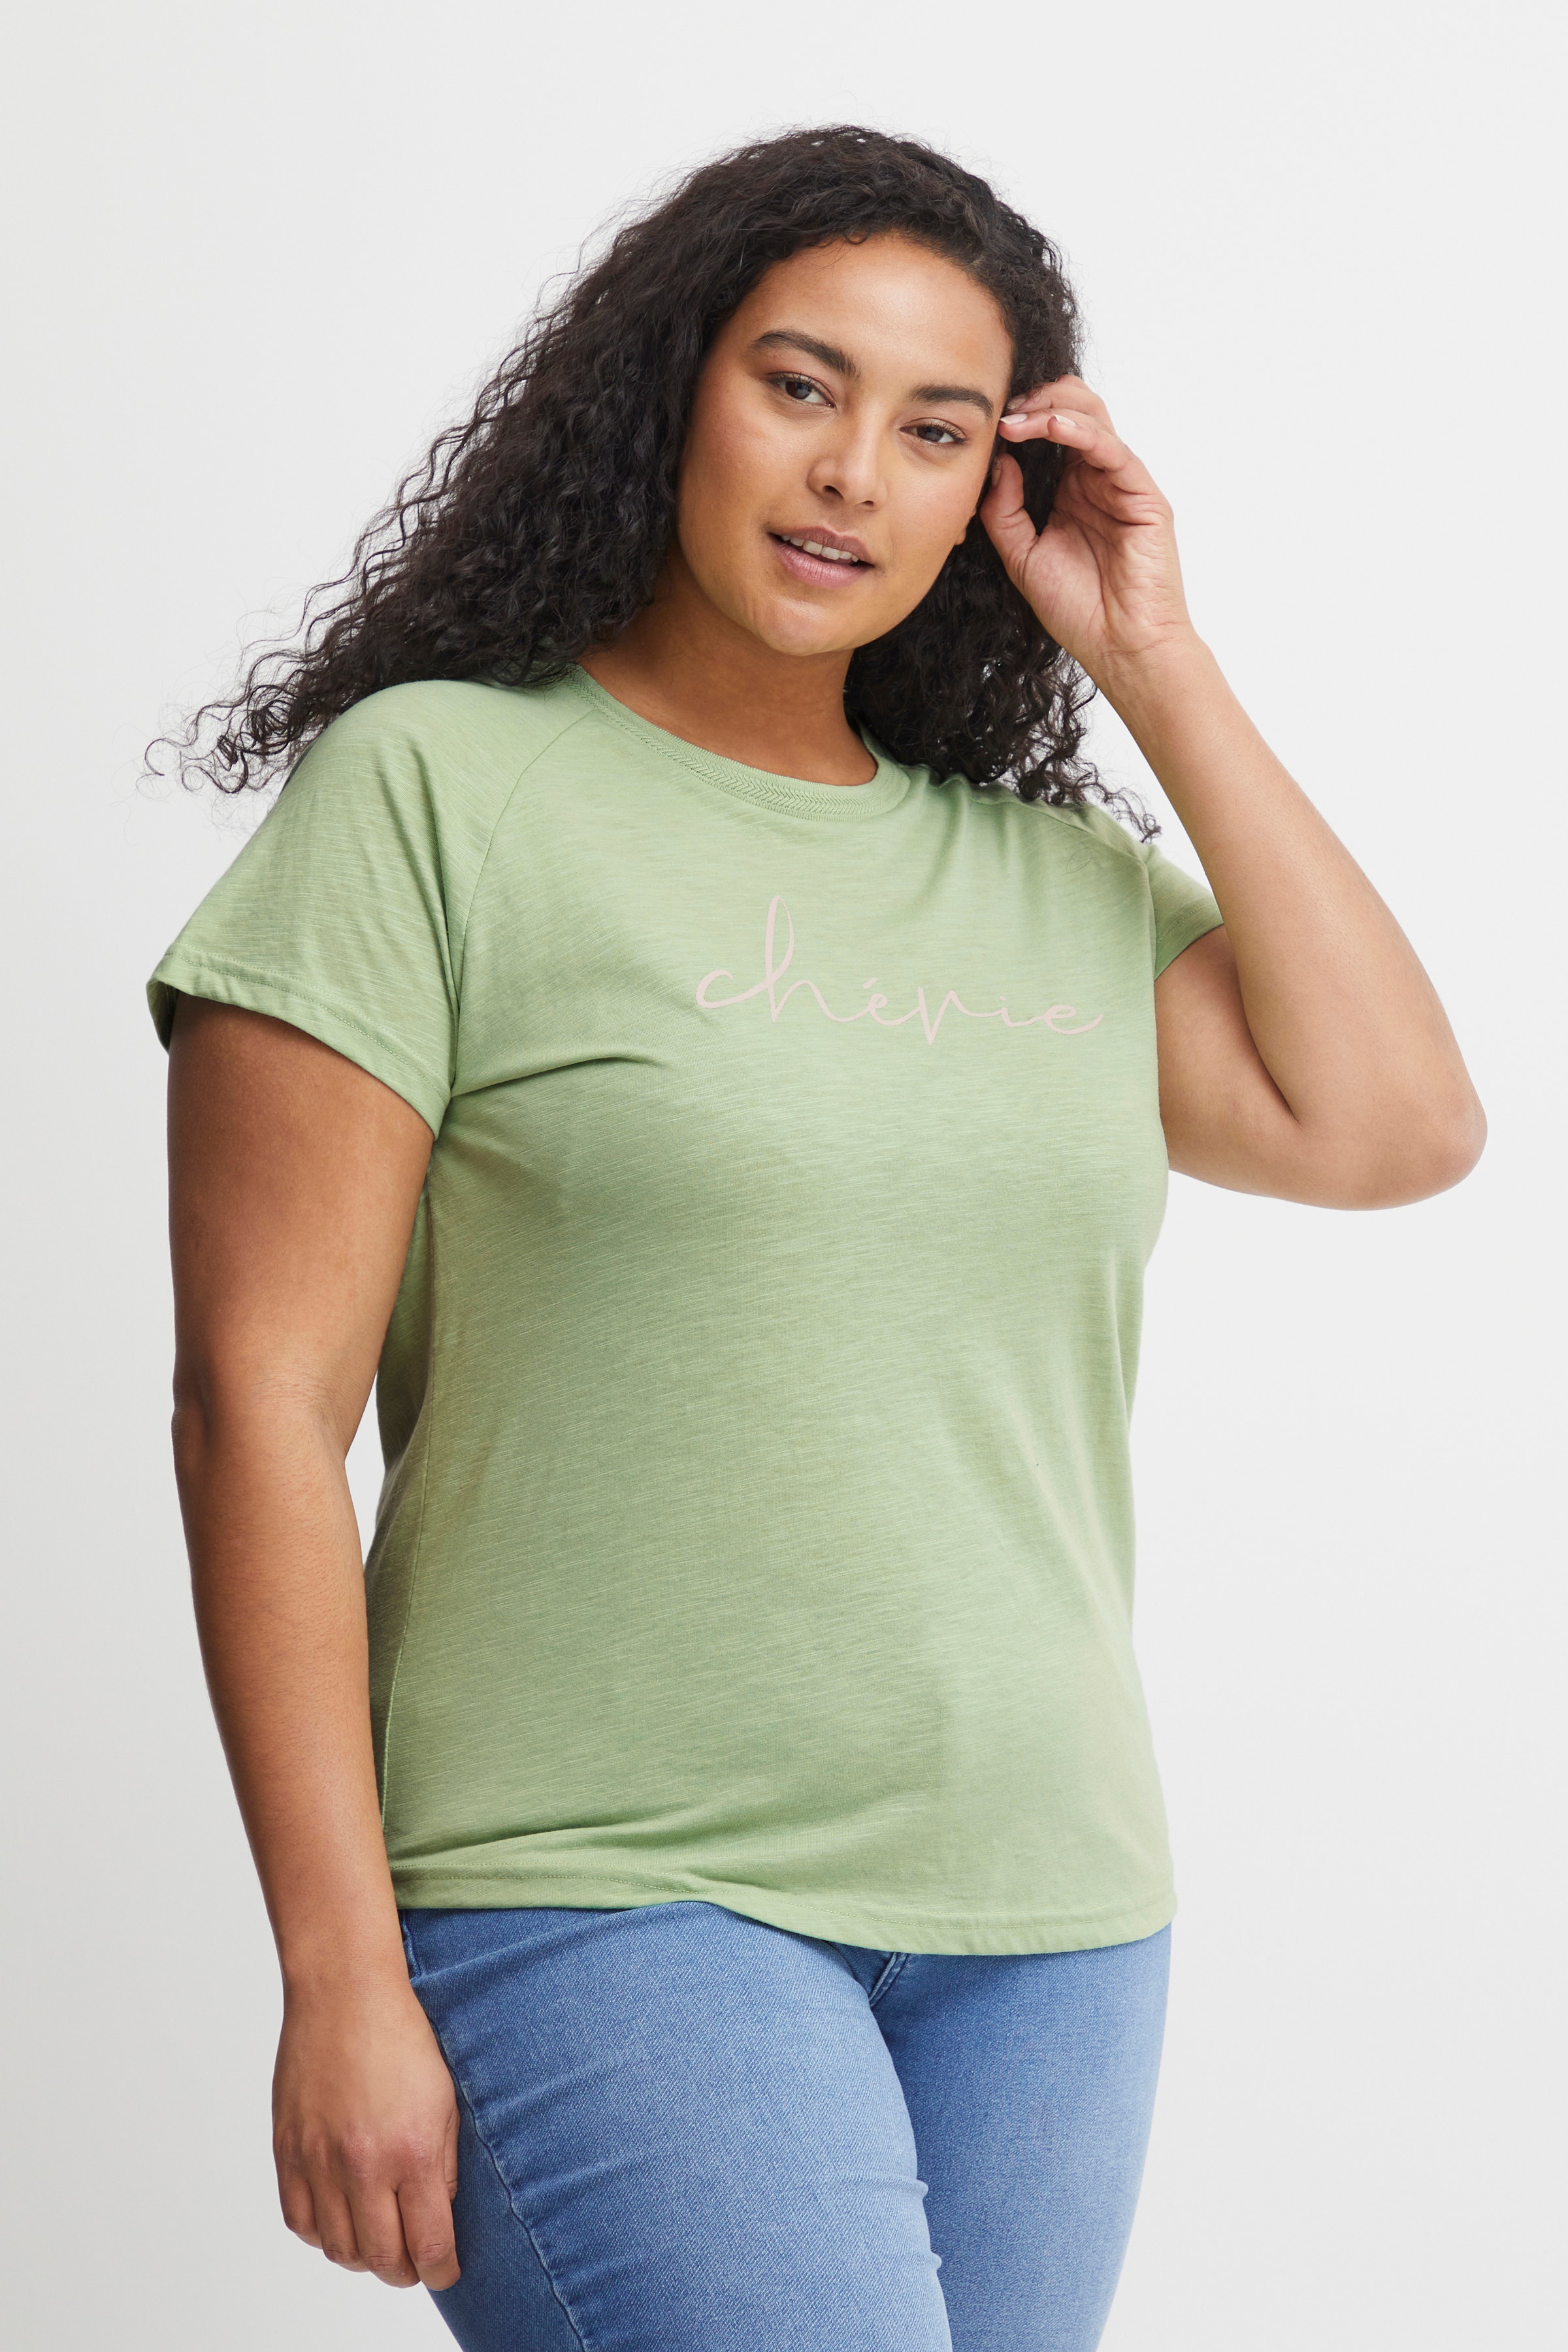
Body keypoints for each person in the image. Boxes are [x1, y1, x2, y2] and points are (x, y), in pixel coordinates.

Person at [149, 125, 1484, 2352]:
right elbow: (253, 1409)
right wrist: (338, 1971)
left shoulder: (1050, 883)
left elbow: (1398, 1127)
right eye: (800, 384)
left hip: (1052, 1920)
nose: (854, 470)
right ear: (672, 385)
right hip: (598, 1885)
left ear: (993, 496)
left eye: (938, 430)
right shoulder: (436, 793)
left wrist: (1155, 656)